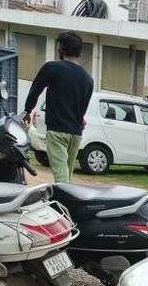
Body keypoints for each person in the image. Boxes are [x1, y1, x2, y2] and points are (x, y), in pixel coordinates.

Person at [21, 31, 94, 183]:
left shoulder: (52, 68)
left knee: (62, 179)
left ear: (61, 48)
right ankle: (66, 197)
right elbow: (83, 108)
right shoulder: (88, 79)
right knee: (66, 176)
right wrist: (80, 118)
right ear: (79, 51)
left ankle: (65, 197)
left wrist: (27, 111)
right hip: (76, 134)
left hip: (57, 131)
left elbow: (35, 91)